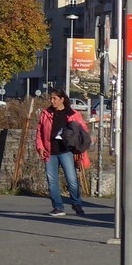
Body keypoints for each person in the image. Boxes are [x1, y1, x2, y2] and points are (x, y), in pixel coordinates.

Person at [34, 87, 89, 217]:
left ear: (62, 99)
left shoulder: (72, 114)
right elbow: (39, 132)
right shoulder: (46, 113)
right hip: (50, 151)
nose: (52, 101)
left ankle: (76, 204)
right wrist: (40, 147)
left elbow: (83, 131)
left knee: (72, 180)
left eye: (55, 98)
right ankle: (58, 207)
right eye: (51, 98)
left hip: (66, 151)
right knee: (52, 181)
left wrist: (78, 145)